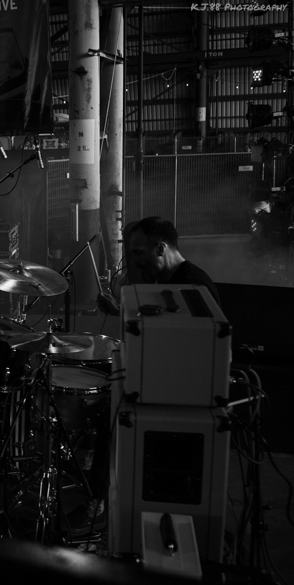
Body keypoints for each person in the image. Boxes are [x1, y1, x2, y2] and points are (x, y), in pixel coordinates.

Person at [74, 216, 220, 537]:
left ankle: (95, 500)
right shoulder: (166, 280)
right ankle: (92, 470)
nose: (134, 261)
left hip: (180, 392)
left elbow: (194, 348)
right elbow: (158, 328)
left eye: (138, 253)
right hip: (161, 376)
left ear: (160, 248)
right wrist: (120, 312)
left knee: (110, 412)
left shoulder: (191, 284)